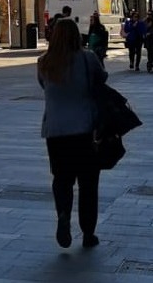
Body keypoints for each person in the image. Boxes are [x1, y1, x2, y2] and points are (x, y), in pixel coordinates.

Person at [38, 16, 107, 250]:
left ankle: (63, 215)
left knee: (62, 179)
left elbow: (43, 86)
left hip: (55, 132)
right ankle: (88, 233)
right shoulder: (88, 59)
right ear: (77, 36)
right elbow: (102, 79)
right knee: (88, 184)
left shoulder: (44, 62)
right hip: (84, 130)